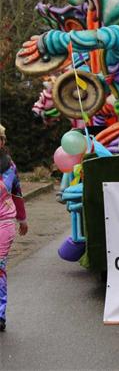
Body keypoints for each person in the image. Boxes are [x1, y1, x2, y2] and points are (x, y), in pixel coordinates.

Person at [0, 124, 28, 332]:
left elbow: (17, 192)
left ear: (2, 142)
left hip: (4, 221)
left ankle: (0, 315)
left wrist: (22, 219)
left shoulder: (9, 166)